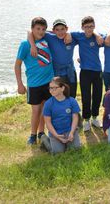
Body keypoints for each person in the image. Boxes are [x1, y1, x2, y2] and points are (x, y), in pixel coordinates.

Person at [15, 17, 54, 145]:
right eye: (38, 29)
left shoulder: (46, 39)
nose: (41, 31)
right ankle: (32, 134)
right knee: (36, 110)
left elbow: (57, 32)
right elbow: (17, 65)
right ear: (33, 29)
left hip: (48, 83)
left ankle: (41, 132)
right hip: (34, 84)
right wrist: (20, 84)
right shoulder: (25, 45)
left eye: (43, 29)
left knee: (45, 108)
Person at [28, 19, 78, 98]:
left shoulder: (72, 38)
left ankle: (71, 110)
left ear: (67, 28)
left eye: (62, 29)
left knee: (71, 96)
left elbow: (85, 35)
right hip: (57, 73)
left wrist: (68, 34)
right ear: (53, 31)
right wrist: (33, 45)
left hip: (70, 72)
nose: (60, 32)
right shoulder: (50, 37)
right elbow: (30, 32)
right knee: (58, 96)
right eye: (57, 30)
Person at [71, 16, 104, 131]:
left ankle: (95, 117)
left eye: (91, 26)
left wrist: (96, 34)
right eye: (86, 27)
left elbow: (107, 38)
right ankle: (86, 119)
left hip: (97, 71)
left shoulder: (98, 36)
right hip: (85, 71)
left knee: (97, 95)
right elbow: (65, 33)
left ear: (94, 26)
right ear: (82, 27)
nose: (89, 29)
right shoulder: (79, 36)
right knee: (86, 96)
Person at [40, 77, 81, 154]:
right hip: (56, 132)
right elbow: (48, 123)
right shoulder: (48, 104)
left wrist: (72, 132)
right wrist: (56, 135)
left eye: (54, 88)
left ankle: (66, 143)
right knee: (57, 153)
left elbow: (75, 118)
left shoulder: (72, 101)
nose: (51, 90)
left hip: (69, 131)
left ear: (62, 88)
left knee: (76, 149)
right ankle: (45, 140)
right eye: (50, 88)